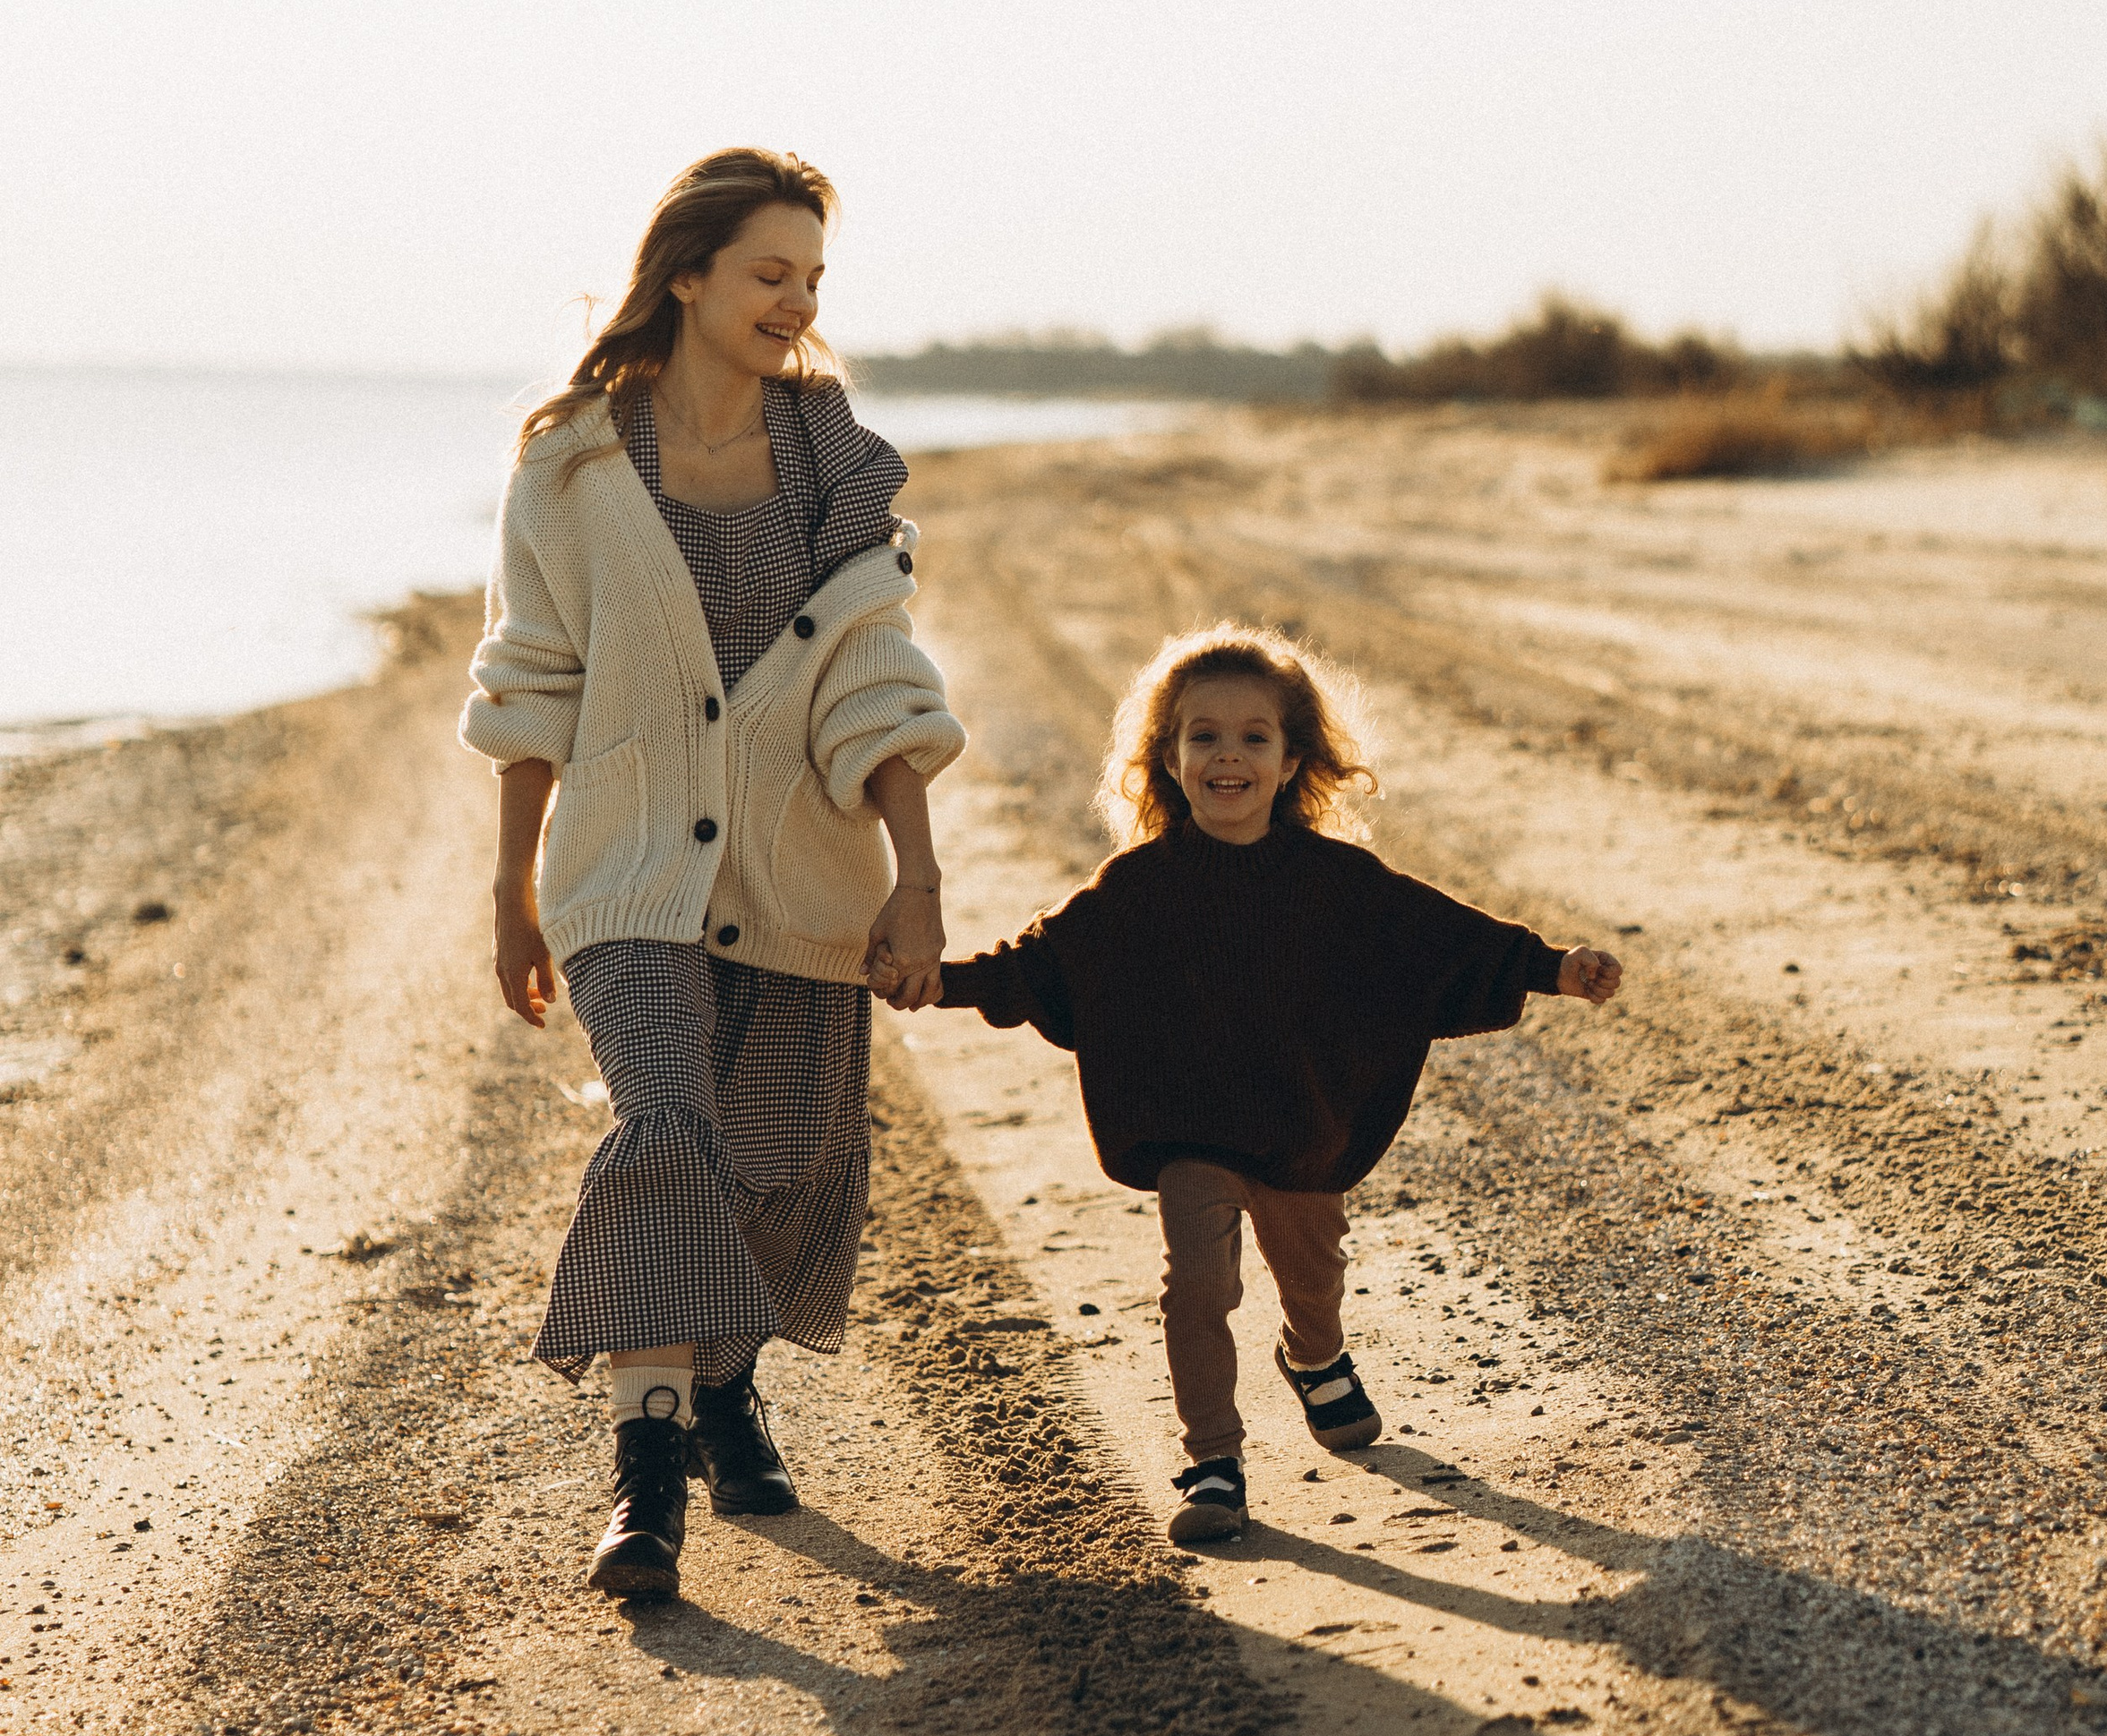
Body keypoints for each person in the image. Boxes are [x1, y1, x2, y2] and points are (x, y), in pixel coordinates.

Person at [465, 147, 963, 1601]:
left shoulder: (830, 455)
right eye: (769, 272)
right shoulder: (568, 455)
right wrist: (512, 887)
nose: (797, 302)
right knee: (670, 1126)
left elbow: (876, 675)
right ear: (685, 272)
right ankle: (645, 1482)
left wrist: (916, 874)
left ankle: (729, 1383)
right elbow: (531, 678)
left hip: (806, 865)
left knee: (785, 1164)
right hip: (626, 871)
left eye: (813, 278)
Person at [926, 626, 1621, 1544]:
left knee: (1312, 1272)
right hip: (1187, 1125)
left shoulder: (1339, 883)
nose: (1228, 754)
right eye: (1202, 735)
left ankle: (1315, 1356)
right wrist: (938, 981)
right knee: (1195, 1287)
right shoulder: (1134, 888)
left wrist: (1552, 967)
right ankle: (1212, 1459)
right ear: (1167, 760)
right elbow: (1040, 964)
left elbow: (1443, 939)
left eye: (1254, 737)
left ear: (1293, 760)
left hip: (1304, 1121)